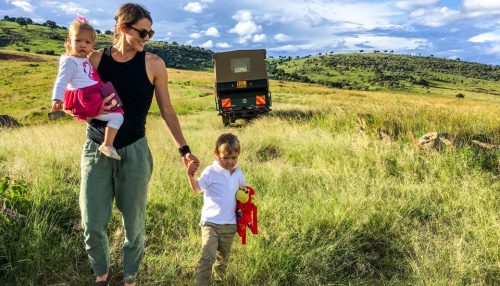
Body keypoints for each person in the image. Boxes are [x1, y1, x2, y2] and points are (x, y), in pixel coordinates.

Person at [52, 3, 199, 286]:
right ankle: (102, 275)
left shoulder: (153, 64)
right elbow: (70, 104)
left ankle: (130, 277)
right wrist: (93, 112)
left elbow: (167, 111)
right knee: (92, 222)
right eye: (142, 32)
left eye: (150, 33)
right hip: (96, 148)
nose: (147, 38)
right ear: (122, 28)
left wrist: (185, 150)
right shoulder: (93, 59)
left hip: (134, 149)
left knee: (134, 224)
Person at [51, 16, 124, 160]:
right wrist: (57, 98)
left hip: (91, 95)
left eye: (87, 42)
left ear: (92, 46)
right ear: (69, 42)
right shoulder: (70, 62)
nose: (83, 45)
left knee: (115, 111)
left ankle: (96, 126)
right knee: (118, 116)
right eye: (78, 40)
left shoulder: (82, 59)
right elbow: (61, 81)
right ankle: (107, 144)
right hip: (86, 99)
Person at [187, 133, 246, 286]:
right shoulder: (210, 172)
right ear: (216, 155)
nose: (230, 162)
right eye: (225, 158)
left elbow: (243, 194)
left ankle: (219, 282)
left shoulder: (239, 172)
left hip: (230, 225)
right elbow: (197, 188)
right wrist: (191, 175)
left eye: (234, 158)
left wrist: (245, 213)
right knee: (207, 257)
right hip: (210, 223)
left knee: (222, 260)